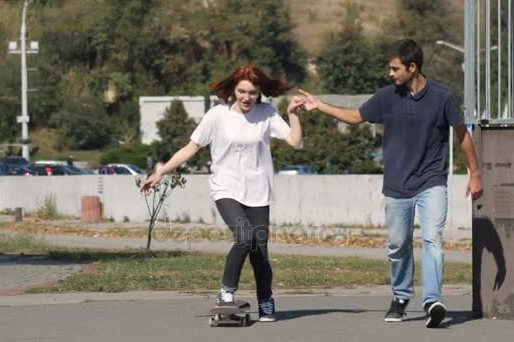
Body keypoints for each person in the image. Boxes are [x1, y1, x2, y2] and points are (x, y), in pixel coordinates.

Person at [296, 39, 483, 328]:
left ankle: (432, 300)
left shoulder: (442, 97)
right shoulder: (386, 97)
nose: (390, 73)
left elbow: (462, 136)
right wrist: (320, 105)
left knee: (432, 238)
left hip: (432, 180)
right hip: (396, 184)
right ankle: (400, 296)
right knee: (398, 245)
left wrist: (475, 174)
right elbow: (356, 117)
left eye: (395, 68)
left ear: (412, 67)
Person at [141, 64, 305, 322]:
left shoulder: (267, 113)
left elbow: (296, 142)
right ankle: (226, 293)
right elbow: (191, 148)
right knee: (245, 237)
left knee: (259, 251)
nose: (246, 97)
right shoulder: (216, 115)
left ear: (259, 91)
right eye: (242, 91)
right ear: (233, 89)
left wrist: (293, 114)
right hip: (226, 188)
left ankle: (265, 301)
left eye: (252, 92)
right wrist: (161, 172)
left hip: (259, 191)